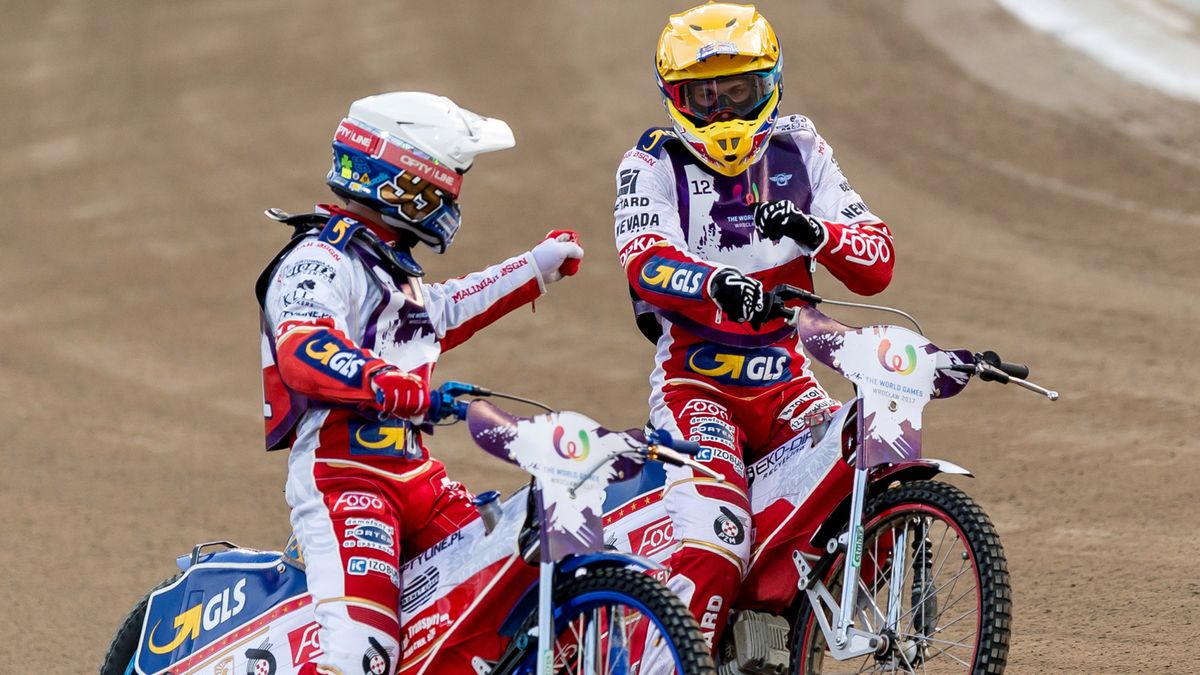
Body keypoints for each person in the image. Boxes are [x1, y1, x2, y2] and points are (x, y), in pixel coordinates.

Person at [257, 91, 583, 674]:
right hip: (342, 479)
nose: (452, 197)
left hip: (414, 478)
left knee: (508, 584)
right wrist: (399, 388)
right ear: (399, 181)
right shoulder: (317, 259)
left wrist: (534, 267)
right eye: (445, 184)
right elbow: (304, 350)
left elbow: (442, 311)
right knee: (363, 654)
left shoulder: (386, 263)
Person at [613, 2, 895, 651]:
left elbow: (877, 262)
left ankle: (779, 639)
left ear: (770, 83)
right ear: (675, 97)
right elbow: (645, 261)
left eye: (737, 91)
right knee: (715, 548)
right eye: (704, 96)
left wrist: (815, 231)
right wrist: (713, 283)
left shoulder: (803, 147)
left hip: (787, 380)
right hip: (696, 390)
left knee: (869, 481)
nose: (723, 112)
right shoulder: (649, 163)